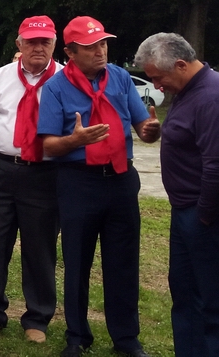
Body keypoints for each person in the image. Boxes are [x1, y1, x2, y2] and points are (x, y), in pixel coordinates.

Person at [37, 16, 160, 357]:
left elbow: (142, 125)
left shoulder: (119, 77)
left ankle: (126, 338)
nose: (100, 51)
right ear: (70, 51)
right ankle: (77, 336)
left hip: (121, 179)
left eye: (103, 43)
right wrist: (73, 140)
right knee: (76, 262)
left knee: (123, 262)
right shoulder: (56, 88)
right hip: (79, 182)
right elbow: (48, 145)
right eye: (90, 47)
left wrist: (151, 130)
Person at [0, 15, 62, 344]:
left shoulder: (66, 79)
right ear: (19, 44)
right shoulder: (0, 78)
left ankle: (38, 317)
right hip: (1, 170)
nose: (38, 47)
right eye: (31, 41)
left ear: (54, 43)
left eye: (44, 41)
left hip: (45, 174)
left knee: (40, 247)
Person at [134, 33, 219, 357]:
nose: (156, 87)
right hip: (185, 212)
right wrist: (160, 133)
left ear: (181, 65)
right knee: (184, 295)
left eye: (158, 77)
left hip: (204, 215)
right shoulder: (188, 90)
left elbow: (215, 165)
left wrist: (204, 216)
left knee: (211, 301)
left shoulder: (211, 96)